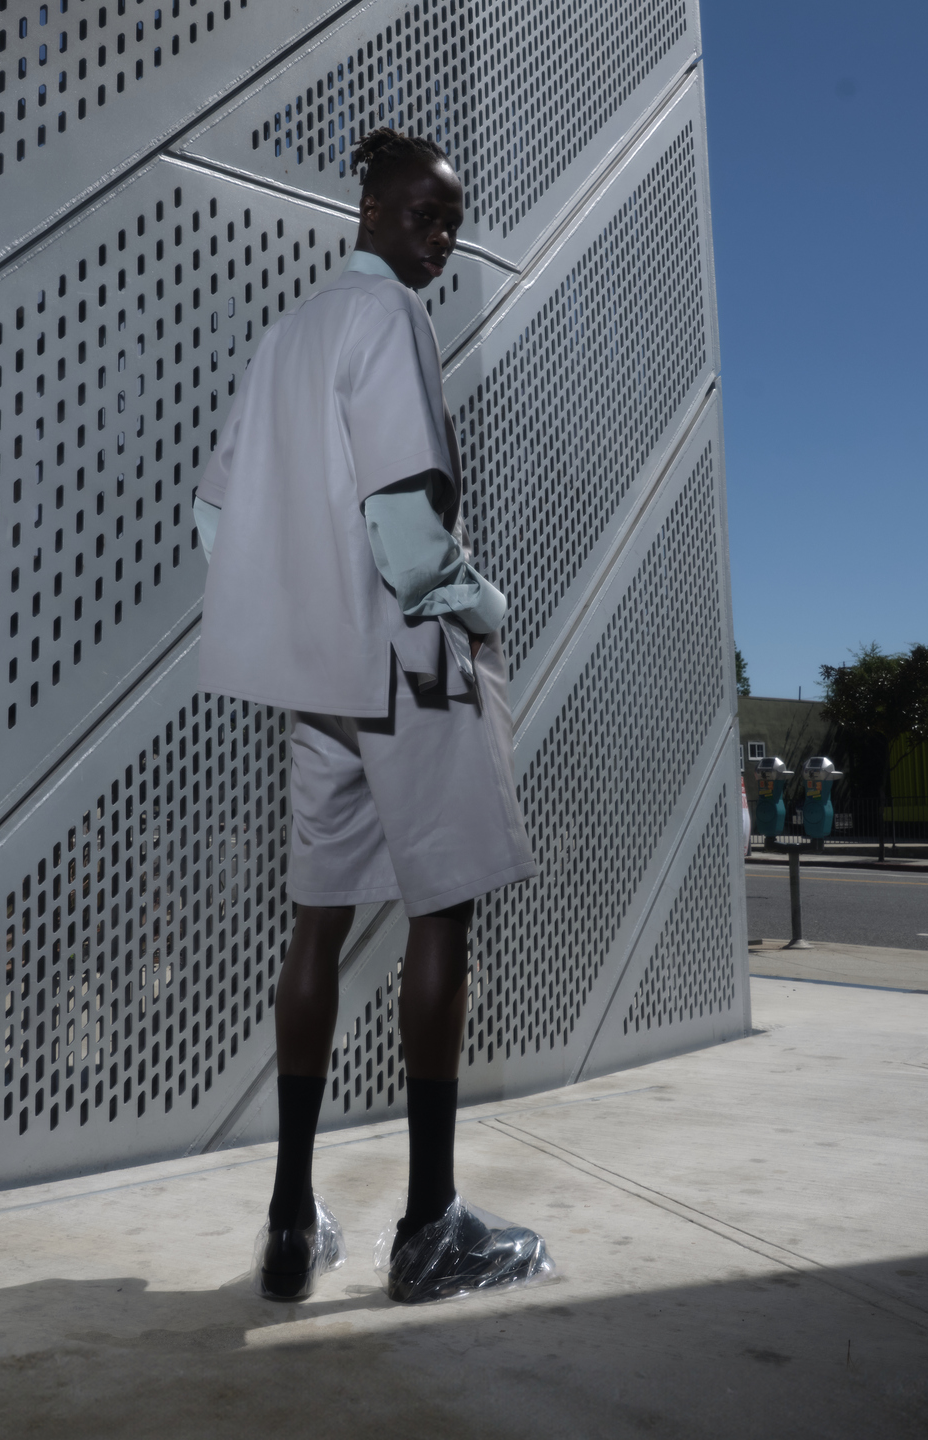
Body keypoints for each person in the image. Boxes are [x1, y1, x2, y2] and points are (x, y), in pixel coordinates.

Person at [193, 129, 551, 1304]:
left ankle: (290, 1223)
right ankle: (430, 1228)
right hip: (408, 667)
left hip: (319, 682)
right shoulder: (388, 318)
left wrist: (297, 606)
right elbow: (407, 534)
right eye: (423, 215)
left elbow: (214, 517)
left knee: (318, 924)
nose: (441, 239)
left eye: (452, 221)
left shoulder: (284, 336)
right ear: (371, 208)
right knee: (441, 912)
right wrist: (486, 605)